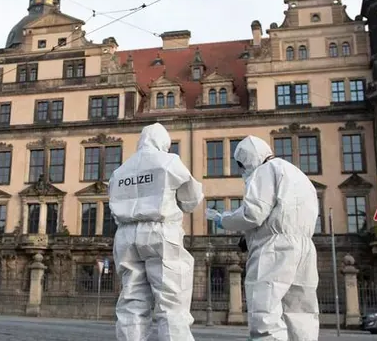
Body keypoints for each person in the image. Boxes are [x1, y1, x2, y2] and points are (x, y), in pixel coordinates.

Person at [206, 135, 319, 341]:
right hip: (305, 248)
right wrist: (248, 237)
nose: (243, 171)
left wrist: (224, 219)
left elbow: (253, 213)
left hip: (275, 249)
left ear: (248, 159)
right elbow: (280, 213)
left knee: (265, 311)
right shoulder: (298, 175)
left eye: (241, 165)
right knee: (301, 311)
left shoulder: (265, 171)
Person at [109, 122, 204, 341]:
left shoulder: (120, 171)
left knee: (131, 300)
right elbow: (191, 200)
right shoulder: (169, 161)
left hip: (125, 235)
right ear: (164, 143)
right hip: (159, 231)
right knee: (171, 301)